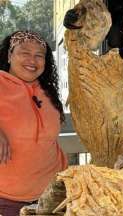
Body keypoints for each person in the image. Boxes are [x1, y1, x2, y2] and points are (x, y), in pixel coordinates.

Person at [0, 31, 67, 215]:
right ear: (9, 55)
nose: (32, 60)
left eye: (39, 55)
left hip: (53, 195)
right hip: (7, 200)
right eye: (25, 52)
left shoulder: (47, 92)